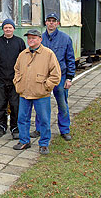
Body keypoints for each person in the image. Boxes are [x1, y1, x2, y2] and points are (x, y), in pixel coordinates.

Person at [13, 29, 61, 155]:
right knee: (22, 118)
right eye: (29, 38)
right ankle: (24, 141)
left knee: (44, 119)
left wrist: (46, 86)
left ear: (40, 39)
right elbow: (17, 69)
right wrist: (18, 83)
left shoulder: (48, 54)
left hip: (41, 94)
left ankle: (44, 144)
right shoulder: (22, 54)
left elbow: (56, 75)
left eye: (33, 38)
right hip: (24, 92)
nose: (30, 40)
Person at [31, 13, 76, 141]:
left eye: (53, 21)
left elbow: (70, 59)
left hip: (60, 77)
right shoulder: (40, 39)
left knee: (62, 104)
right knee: (41, 104)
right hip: (43, 77)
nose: (51, 23)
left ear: (58, 23)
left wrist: (69, 78)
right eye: (49, 21)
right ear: (45, 23)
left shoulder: (65, 39)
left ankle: (65, 130)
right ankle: (40, 129)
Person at [0, 18, 26, 139]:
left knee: (15, 105)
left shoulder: (19, 42)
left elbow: (24, 62)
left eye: (10, 27)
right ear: (3, 29)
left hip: (15, 80)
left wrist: (22, 78)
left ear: (13, 29)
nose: (8, 29)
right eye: (5, 27)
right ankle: (1, 128)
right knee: (0, 105)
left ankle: (15, 129)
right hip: (0, 80)